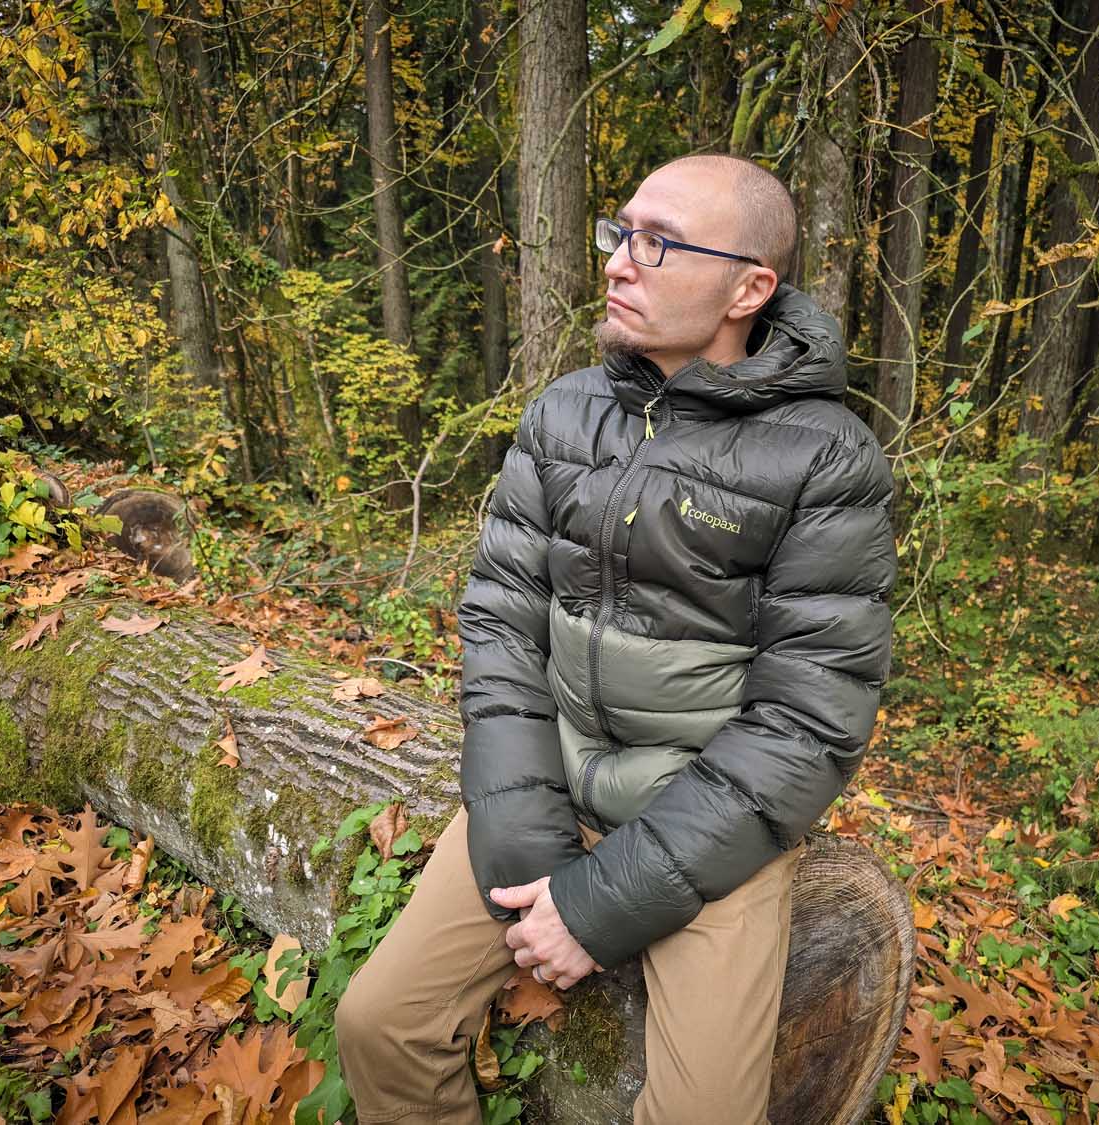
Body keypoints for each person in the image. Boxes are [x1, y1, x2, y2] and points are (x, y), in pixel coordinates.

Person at [335, 153, 897, 1124]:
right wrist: (521, 831)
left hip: (708, 828)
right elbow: (501, 619)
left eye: (658, 243)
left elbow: (809, 718)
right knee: (381, 1026)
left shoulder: (825, 455)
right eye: (619, 232)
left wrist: (601, 907)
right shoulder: (565, 413)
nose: (618, 263)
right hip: (549, 785)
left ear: (749, 286)